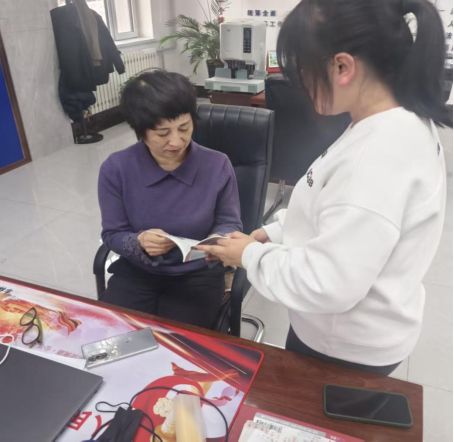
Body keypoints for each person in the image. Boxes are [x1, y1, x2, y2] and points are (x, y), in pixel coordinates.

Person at [198, 0, 453, 375]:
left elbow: (327, 284)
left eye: (303, 71)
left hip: (345, 348)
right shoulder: (386, 120)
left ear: (343, 66)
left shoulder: (377, 157)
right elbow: (331, 208)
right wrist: (274, 232)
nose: (300, 85)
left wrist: (249, 255)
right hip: (351, 331)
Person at [98, 70, 242, 329]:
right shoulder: (116, 168)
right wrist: (139, 242)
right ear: (141, 131)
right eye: (162, 133)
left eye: (184, 128)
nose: (176, 141)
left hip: (197, 275)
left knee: (176, 343)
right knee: (116, 335)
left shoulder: (217, 165)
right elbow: (112, 234)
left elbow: (229, 222)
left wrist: (218, 240)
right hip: (137, 272)